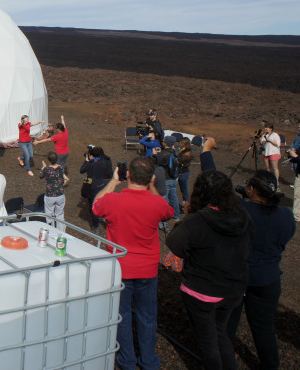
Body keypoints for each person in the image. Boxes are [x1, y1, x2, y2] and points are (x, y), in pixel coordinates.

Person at [166, 170, 255, 370]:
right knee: (221, 331)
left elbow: (175, 244)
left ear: (200, 192)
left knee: (207, 340)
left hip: (202, 291)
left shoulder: (196, 221)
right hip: (233, 289)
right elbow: (250, 243)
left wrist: (187, 217)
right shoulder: (242, 215)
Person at [93, 156, 174, 370]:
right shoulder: (157, 203)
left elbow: (95, 206)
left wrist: (112, 182)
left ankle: (127, 360)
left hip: (120, 268)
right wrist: (154, 187)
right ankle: (148, 360)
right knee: (147, 315)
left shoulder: (112, 200)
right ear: (151, 178)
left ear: (127, 175)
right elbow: (168, 213)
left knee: (122, 314)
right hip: (147, 270)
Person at [227, 170, 296, 370]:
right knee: (264, 328)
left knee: (227, 326)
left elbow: (218, 187)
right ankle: (270, 365)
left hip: (238, 277)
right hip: (268, 278)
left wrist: (206, 153)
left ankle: (223, 361)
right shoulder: (285, 215)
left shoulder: (241, 209)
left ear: (253, 189)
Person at [80, 146, 112, 232]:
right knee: (99, 202)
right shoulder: (102, 162)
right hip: (100, 184)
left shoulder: (91, 163)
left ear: (92, 155)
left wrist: (86, 161)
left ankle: (95, 226)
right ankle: (101, 217)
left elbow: (82, 170)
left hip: (92, 186)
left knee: (93, 205)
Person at [39, 151, 69, 231]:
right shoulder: (61, 168)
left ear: (48, 159)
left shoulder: (47, 169)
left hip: (50, 195)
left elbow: (41, 176)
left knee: (49, 215)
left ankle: (51, 230)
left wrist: (43, 167)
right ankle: (61, 231)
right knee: (60, 215)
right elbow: (64, 176)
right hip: (60, 194)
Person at [156, 135, 181, 221]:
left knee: (163, 199)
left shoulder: (163, 154)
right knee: (173, 197)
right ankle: (176, 216)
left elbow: (157, 164)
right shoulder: (175, 152)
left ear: (165, 143)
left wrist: (155, 155)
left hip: (165, 179)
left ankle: (163, 220)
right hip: (174, 179)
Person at [177, 137, 193, 206]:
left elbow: (182, 161)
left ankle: (186, 204)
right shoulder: (184, 150)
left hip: (184, 172)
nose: (180, 144)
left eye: (181, 143)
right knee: (183, 189)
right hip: (182, 171)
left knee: (184, 190)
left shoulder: (187, 153)